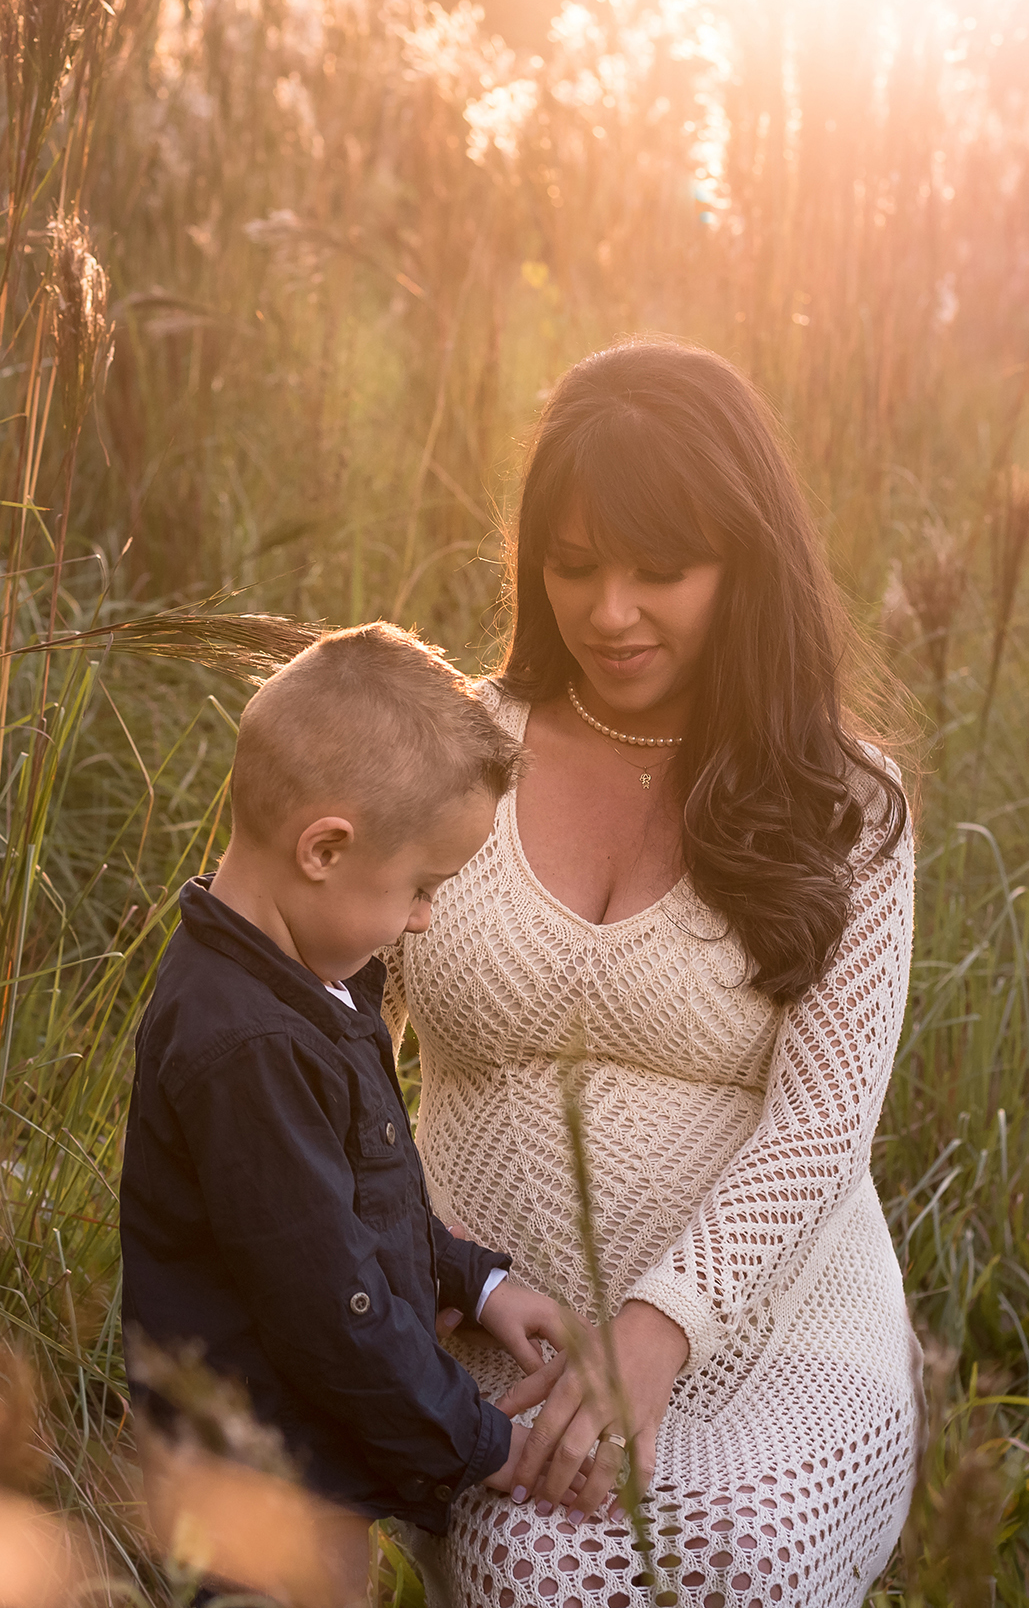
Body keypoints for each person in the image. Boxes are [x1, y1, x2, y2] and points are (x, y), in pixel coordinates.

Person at [383, 340, 924, 1608]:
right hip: (499, 1326)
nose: (610, 611)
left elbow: (825, 1122)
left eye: (659, 570)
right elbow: (325, 1023)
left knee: (752, 1558)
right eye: (574, 566)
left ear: (746, 564)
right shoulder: (452, 753)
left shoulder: (847, 803)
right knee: (546, 1569)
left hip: (774, 1333)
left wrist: (663, 1324)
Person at [119, 623, 571, 1596]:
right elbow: (336, 1308)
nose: (423, 919)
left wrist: (477, 1285)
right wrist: (486, 1441)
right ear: (325, 848)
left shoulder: (311, 981)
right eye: (418, 887)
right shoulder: (249, 1048)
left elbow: (357, 1197)